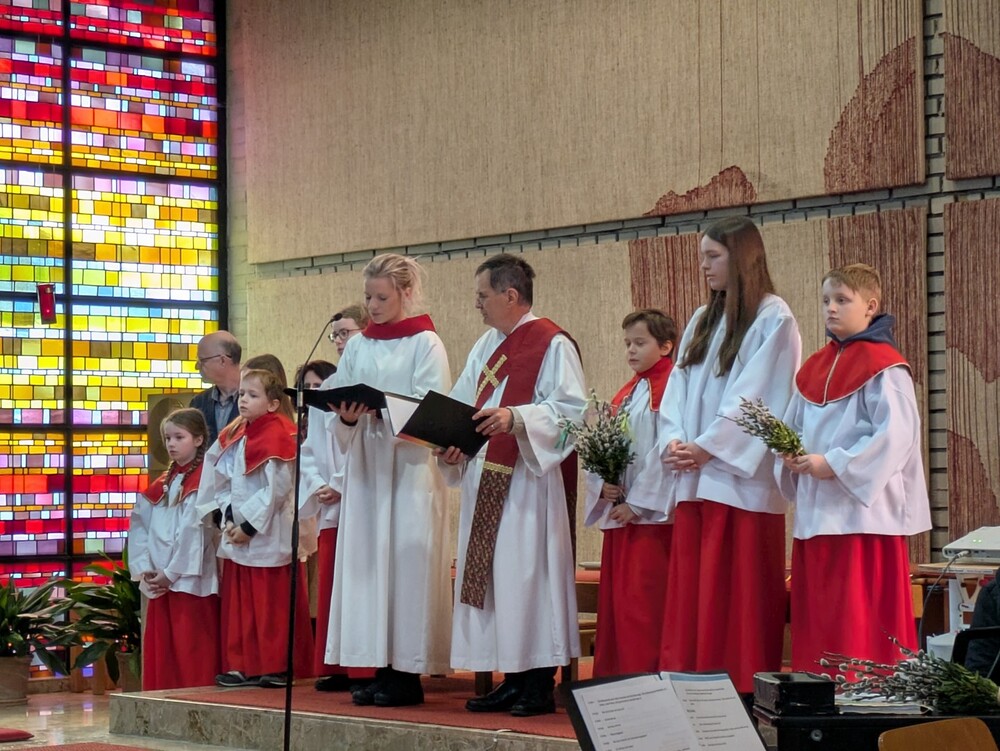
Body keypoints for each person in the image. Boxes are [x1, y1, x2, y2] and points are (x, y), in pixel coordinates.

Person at [655, 216, 801, 693]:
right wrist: (674, 440)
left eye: (713, 256)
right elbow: (677, 388)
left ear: (741, 258)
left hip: (740, 483)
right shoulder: (703, 319)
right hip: (696, 477)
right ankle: (690, 686)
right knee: (695, 595)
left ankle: (739, 690)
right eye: (702, 257)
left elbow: (759, 395)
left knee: (736, 597)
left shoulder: (774, 318)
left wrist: (707, 446)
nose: (704, 266)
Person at [438, 253, 587, 717]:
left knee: (527, 578)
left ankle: (538, 681)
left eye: (482, 295)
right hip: (485, 477)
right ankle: (512, 677)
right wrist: (449, 441)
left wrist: (516, 418)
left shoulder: (552, 343)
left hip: (527, 485)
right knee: (497, 583)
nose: (477, 304)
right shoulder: (486, 344)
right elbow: (463, 401)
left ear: (510, 295)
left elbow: (572, 412)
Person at [776, 263, 930, 675]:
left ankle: (871, 691)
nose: (831, 308)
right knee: (821, 615)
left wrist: (833, 463)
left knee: (860, 618)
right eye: (826, 300)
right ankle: (822, 692)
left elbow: (895, 436)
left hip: (864, 515)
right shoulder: (813, 367)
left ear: (871, 306)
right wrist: (788, 453)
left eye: (842, 300)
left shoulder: (886, 367)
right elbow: (793, 426)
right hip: (817, 513)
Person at [322, 254, 452, 707]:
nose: (373, 307)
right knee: (369, 567)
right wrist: (347, 416)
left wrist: (383, 410)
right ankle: (377, 665)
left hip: (410, 470)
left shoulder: (425, 343)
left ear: (405, 293)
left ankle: (407, 672)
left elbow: (433, 407)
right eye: (368, 297)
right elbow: (341, 399)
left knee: (405, 568)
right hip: (367, 468)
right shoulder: (360, 345)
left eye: (381, 297)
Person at [199, 368, 314, 688]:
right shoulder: (236, 433)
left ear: (273, 404)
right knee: (241, 606)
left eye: (252, 395)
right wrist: (228, 517)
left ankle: (275, 665)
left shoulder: (280, 434)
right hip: (238, 532)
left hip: (268, 533)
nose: (243, 401)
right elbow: (221, 479)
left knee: (269, 606)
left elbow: (278, 489)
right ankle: (242, 664)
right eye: (241, 394)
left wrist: (248, 525)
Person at [583, 309, 677, 677]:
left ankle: (647, 679)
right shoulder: (628, 392)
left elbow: (666, 451)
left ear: (665, 346)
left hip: (653, 521)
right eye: (627, 344)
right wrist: (603, 485)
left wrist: (637, 504)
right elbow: (609, 446)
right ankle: (618, 680)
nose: (631, 351)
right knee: (621, 607)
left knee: (645, 608)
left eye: (640, 343)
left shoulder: (671, 390)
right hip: (622, 517)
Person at [129, 408, 220, 690]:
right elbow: (140, 527)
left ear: (199, 439)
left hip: (189, 581)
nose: (171, 444)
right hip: (159, 582)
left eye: (179, 437)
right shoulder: (162, 484)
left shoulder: (204, 481)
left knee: (192, 649)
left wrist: (170, 573)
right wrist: (146, 569)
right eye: (168, 438)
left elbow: (195, 532)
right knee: (163, 651)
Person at [190, 330, 242, 446]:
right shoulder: (198, 402)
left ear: (222, 360)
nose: (196, 366)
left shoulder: (256, 398)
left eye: (202, 360)